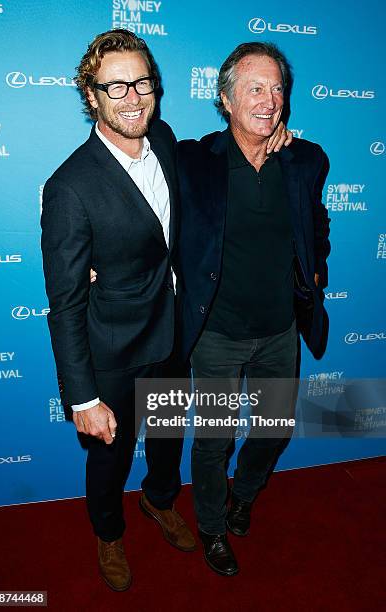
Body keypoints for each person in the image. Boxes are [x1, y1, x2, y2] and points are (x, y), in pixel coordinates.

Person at [40, 29, 197, 592]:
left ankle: (159, 502)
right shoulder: (70, 188)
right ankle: (108, 533)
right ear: (91, 95)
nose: (132, 97)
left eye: (142, 82)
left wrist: (276, 136)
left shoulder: (169, 139)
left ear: (156, 86)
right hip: (114, 354)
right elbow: (64, 304)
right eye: (115, 86)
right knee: (110, 460)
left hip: (173, 336)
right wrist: (82, 397)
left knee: (168, 438)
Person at [177, 42, 330, 576]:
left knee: (272, 428)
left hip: (279, 330)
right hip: (216, 333)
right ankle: (213, 527)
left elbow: (318, 225)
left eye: (277, 88)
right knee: (214, 438)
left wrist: (316, 271)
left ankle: (245, 495)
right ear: (225, 99)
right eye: (255, 88)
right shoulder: (194, 159)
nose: (270, 100)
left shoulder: (305, 159)